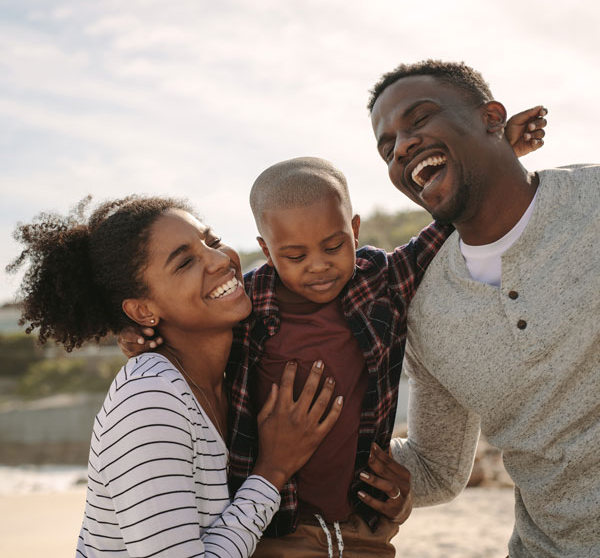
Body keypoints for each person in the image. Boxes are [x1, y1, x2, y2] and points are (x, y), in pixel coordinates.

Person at [119, 113, 544, 557]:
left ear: (354, 231)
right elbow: (190, 330)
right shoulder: (249, 304)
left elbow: (443, 231)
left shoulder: (378, 280)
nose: (318, 265)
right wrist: (144, 337)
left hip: (363, 526)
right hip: (274, 528)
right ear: (266, 250)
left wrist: (497, 159)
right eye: (295, 255)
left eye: (334, 246)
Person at [8, 195, 344, 558]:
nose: (220, 260)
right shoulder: (149, 403)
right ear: (143, 310)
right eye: (185, 262)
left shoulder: (234, 370)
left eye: (212, 241)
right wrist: (272, 470)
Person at [368, 59, 599, 557]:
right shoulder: (426, 310)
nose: (402, 146)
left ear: (492, 117)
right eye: (387, 147)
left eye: (419, 119)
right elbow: (435, 468)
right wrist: (303, 456)